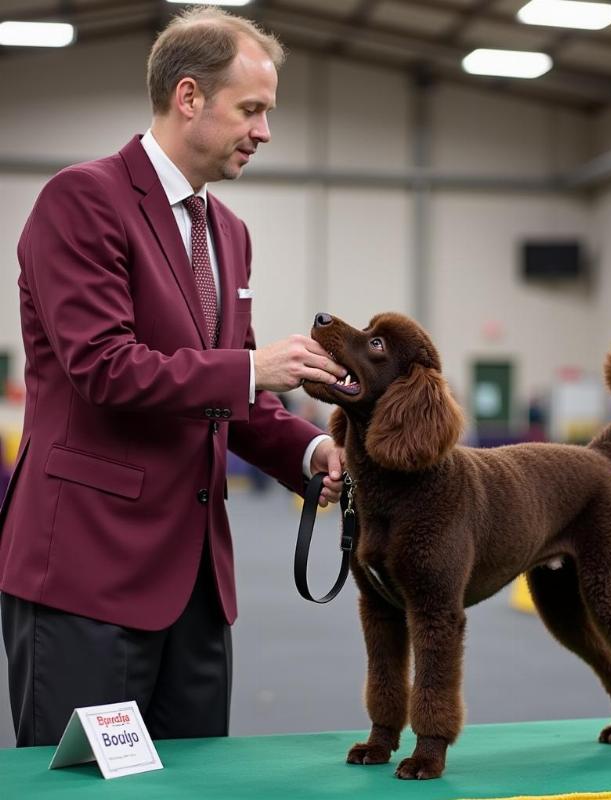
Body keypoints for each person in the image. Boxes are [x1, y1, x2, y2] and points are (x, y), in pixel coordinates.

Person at [0, 7, 348, 747]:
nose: (264, 132)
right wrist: (254, 367)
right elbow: (103, 366)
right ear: (189, 97)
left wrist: (315, 455)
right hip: (87, 581)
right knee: (87, 795)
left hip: (196, 591)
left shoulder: (230, 233)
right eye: (251, 109)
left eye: (268, 113)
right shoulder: (80, 200)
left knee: (197, 787)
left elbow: (231, 401)